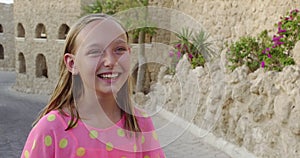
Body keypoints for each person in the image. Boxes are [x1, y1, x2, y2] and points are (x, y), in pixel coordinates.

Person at [21, 13, 165, 158]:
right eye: (95, 51)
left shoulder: (141, 123)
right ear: (72, 63)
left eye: (119, 49)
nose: (110, 61)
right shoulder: (50, 129)